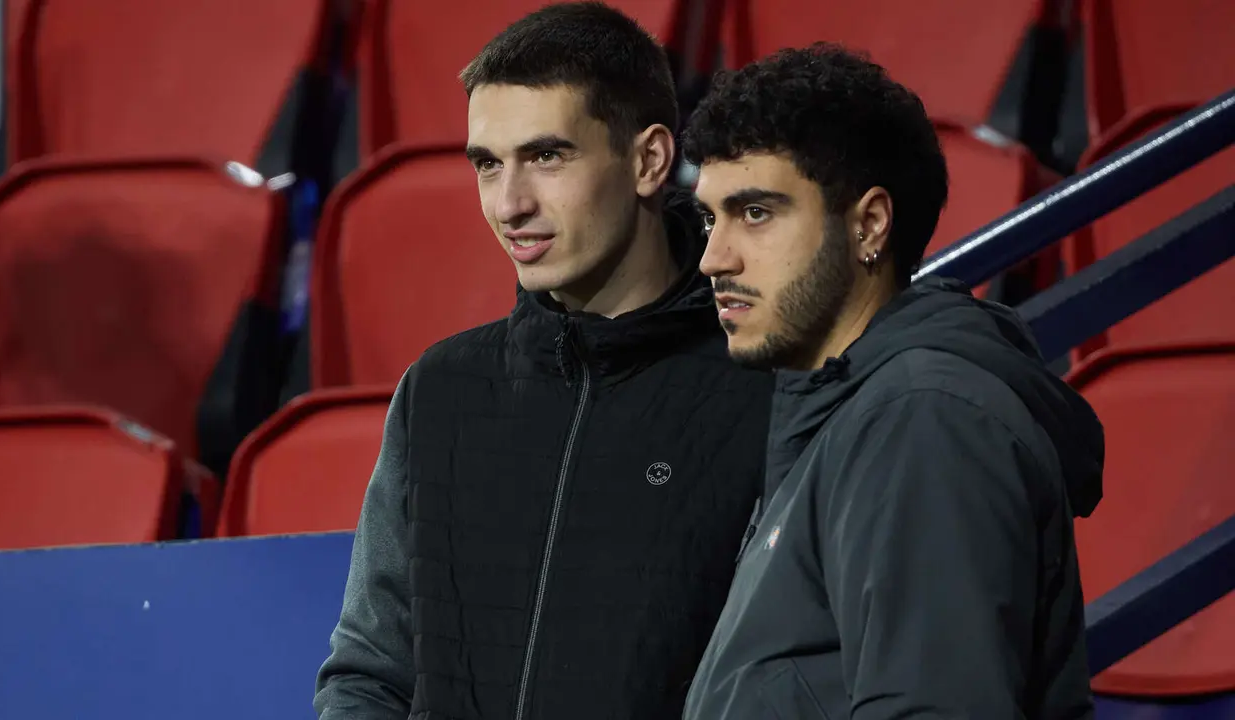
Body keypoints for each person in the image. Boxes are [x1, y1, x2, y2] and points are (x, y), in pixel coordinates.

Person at [313, 4, 773, 720]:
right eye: (488, 165)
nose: (509, 204)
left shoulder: (767, 384)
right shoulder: (440, 392)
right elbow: (372, 671)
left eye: (547, 156)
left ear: (649, 159)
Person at [679, 44, 1105, 719]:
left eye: (756, 212)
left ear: (869, 224)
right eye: (710, 217)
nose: (713, 258)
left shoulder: (923, 419)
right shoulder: (847, 413)